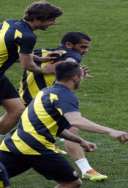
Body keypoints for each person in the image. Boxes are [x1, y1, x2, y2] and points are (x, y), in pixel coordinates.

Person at [0, 61, 128, 188]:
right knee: (72, 182)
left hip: (14, 144)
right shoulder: (64, 95)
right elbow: (76, 121)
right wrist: (111, 131)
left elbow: (57, 128)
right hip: (37, 147)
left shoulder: (46, 91)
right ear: (75, 78)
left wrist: (80, 141)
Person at [19, 32, 108, 181]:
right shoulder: (73, 56)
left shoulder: (41, 52)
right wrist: (74, 69)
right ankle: (86, 170)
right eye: (82, 47)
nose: (84, 50)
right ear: (69, 45)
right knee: (71, 128)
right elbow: (61, 66)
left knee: (14, 128)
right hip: (40, 103)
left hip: (25, 99)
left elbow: (20, 56)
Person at [0, 1, 62, 135]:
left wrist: (41, 59)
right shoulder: (28, 36)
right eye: (51, 20)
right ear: (38, 19)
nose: (53, 23)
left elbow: (11, 53)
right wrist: (45, 70)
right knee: (16, 110)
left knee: (17, 109)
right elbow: (27, 65)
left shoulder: (9, 23)